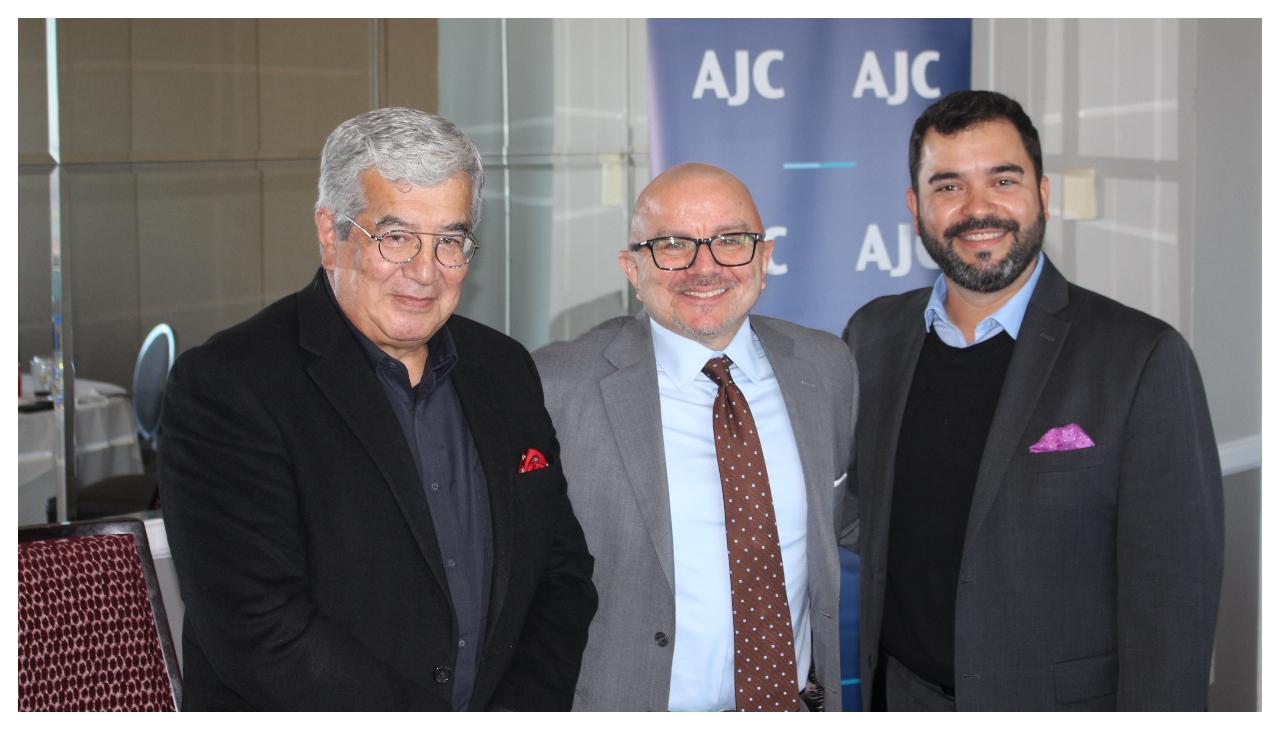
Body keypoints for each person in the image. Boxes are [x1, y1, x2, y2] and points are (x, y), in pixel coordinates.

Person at [158, 107, 597, 711]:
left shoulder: (504, 368)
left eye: (450, 241)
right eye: (395, 237)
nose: (424, 272)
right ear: (329, 233)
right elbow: (262, 633)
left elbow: (559, 572)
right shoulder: (230, 386)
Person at [842, 90, 1223, 711]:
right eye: (948, 187)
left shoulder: (1142, 358)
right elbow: (860, 507)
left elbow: (1173, 603)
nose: (978, 209)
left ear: (1042, 194)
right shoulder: (872, 336)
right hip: (901, 698)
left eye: (1002, 179)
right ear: (915, 209)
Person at [533, 163, 857, 711]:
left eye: (731, 240)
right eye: (673, 244)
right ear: (632, 267)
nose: (704, 267)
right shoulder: (556, 386)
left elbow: (848, 521)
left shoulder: (826, 367)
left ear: (765, 257)